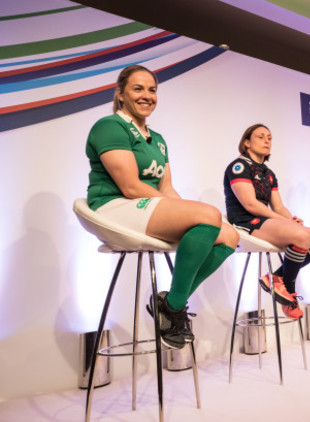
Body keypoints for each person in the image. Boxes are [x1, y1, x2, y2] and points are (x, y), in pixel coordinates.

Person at [85, 65, 239, 349]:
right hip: (114, 206)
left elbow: (166, 188)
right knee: (209, 216)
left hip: (145, 206)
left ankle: (171, 304)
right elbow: (130, 186)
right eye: (138, 88)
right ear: (120, 94)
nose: (147, 95)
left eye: (152, 90)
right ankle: (172, 308)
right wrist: (198, 214)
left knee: (229, 235)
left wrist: (189, 210)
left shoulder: (158, 140)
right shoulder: (110, 126)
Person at [224, 124, 310, 319]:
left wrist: (290, 219)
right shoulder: (239, 166)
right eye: (261, 137)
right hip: (245, 223)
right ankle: (288, 289)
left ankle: (276, 278)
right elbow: (250, 205)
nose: (266, 141)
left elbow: (278, 207)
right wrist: (286, 222)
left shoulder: (268, 173)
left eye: (269, 138)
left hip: (265, 222)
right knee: (301, 236)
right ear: (247, 143)